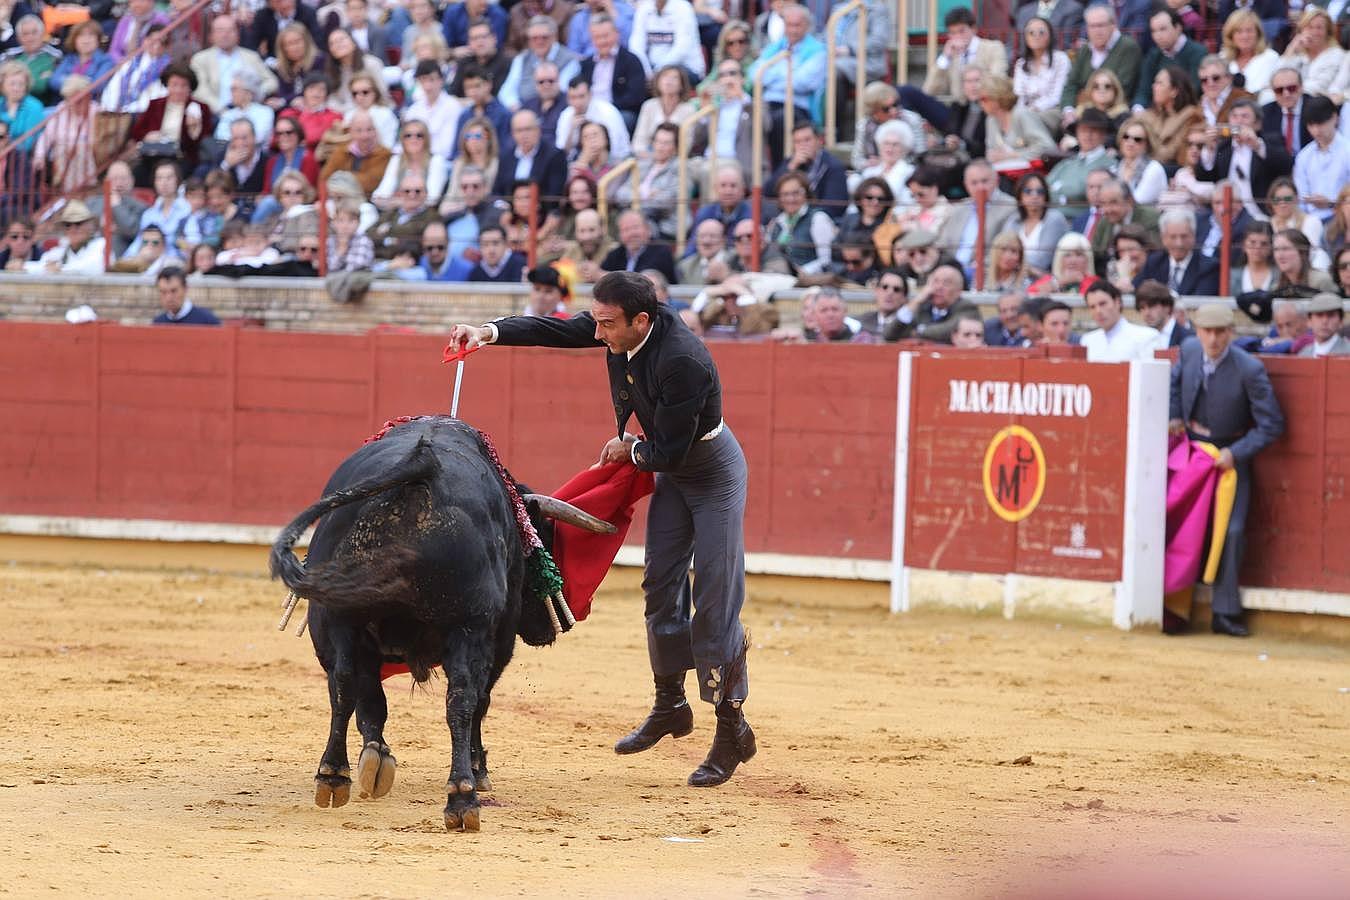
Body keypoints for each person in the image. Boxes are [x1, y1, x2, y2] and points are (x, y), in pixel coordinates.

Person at [449, 269, 756, 787]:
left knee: (717, 598)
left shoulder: (683, 359)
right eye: (597, 321)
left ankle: (730, 728)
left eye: (607, 325)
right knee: (659, 585)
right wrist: (489, 331)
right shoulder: (621, 330)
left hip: (711, 474)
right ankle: (670, 705)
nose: (597, 334)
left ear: (641, 320)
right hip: (674, 476)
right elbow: (558, 329)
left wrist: (628, 449)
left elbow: (669, 451)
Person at [1168, 303, 1284, 636]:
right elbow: (1174, 385)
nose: (1214, 339)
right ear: (1197, 331)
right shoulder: (1189, 351)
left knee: (1231, 531)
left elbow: (1271, 424)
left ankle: (1225, 612)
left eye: (1220, 332)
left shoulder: (1249, 369)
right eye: (1207, 331)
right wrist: (1174, 416)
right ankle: (1172, 607)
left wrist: (1236, 452)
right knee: (1178, 524)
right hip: (1191, 454)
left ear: (1231, 333)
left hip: (1228, 459)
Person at [744, 2, 823, 168]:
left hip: (797, 107)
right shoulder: (777, 46)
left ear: (807, 26)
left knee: (778, 121)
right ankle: (752, 172)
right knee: (746, 118)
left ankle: (782, 171)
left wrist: (772, 75)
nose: (793, 30)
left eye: (797, 25)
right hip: (768, 103)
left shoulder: (817, 50)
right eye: (789, 25)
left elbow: (802, 83)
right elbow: (754, 74)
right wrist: (788, 73)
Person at [1196, 98, 1292, 222]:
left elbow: (1285, 166)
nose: (1239, 121)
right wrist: (1209, 149)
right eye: (1234, 117)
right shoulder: (1223, 147)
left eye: (1245, 116)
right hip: (1226, 213)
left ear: (1257, 124)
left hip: (1259, 213)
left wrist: (1257, 145)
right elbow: (1203, 176)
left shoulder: (1271, 141)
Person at [1060, 4, 1140, 129]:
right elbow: (1071, 84)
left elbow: (1122, 87)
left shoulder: (1128, 47)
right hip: (1081, 111)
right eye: (1092, 26)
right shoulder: (1085, 49)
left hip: (1114, 114)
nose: (1097, 30)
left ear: (1113, 24)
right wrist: (1069, 111)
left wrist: (1084, 97)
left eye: (1101, 25)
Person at [937, 160, 1018, 277]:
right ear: (966, 185)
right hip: (951, 270)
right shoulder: (959, 208)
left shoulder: (1010, 207)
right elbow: (942, 244)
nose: (980, 187)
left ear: (996, 181)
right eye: (974, 183)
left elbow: (1005, 249)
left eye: (985, 181)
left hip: (984, 272)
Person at [189, 15, 278, 115]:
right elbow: (199, 90)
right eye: (220, 30)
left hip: (250, 111)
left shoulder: (251, 56)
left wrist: (256, 93)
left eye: (230, 30)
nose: (225, 34)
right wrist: (221, 110)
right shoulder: (200, 59)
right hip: (216, 113)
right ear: (212, 35)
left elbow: (271, 81)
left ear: (237, 34)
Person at [583, 15, 655, 130]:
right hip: (590, 110)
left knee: (624, 119)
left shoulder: (631, 60)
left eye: (605, 36)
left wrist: (608, 108)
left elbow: (635, 97)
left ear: (617, 34)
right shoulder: (586, 64)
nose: (602, 41)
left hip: (619, 111)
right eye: (597, 37)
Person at [1046, 108, 1116, 218]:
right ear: (1077, 134)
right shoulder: (1066, 164)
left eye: (1093, 130)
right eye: (1083, 130)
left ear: (1103, 134)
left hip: (1081, 221)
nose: (1088, 135)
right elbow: (1044, 190)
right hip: (1051, 217)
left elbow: (1083, 193)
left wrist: (1058, 193)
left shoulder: (1110, 165)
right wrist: (1067, 197)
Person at [500, 15, 581, 111]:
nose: (539, 42)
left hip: (555, 111)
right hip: (523, 111)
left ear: (554, 37)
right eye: (534, 38)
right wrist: (516, 107)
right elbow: (506, 92)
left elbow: (561, 91)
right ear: (528, 40)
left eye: (544, 37)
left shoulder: (569, 60)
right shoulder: (521, 59)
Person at [885, 261, 978, 343]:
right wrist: (916, 301)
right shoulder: (921, 307)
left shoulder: (967, 307)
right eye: (935, 282)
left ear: (958, 291)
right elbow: (889, 334)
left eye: (946, 283)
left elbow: (949, 330)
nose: (939, 287)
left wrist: (917, 331)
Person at [1132, 7, 1205, 111]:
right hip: (1158, 112)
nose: (1158, 36)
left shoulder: (1197, 52)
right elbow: (1143, 90)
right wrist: (1138, 109)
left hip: (1186, 113)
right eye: (1154, 31)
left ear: (1178, 28)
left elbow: (1194, 90)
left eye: (1163, 29)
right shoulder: (1153, 55)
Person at [764, 170, 835, 276]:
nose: (790, 199)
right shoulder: (777, 222)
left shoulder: (818, 218)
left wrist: (804, 271)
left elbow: (827, 259)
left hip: (808, 282)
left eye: (796, 193)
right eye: (785, 194)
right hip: (779, 278)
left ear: (806, 194)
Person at [1293, 96, 1350, 226]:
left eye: (1321, 123)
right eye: (1311, 125)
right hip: (1310, 221)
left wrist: (1331, 203)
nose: (1317, 130)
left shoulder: (1347, 151)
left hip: (1344, 220)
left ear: (1335, 118)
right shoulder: (1303, 156)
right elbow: (1302, 196)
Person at [1138, 208, 1220, 296]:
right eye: (1173, 237)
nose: (1179, 243)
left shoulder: (1209, 267)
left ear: (1193, 236)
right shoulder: (1154, 262)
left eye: (1184, 236)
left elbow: (1199, 301)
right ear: (1163, 238)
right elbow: (1137, 290)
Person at [1001, 171, 1069, 275]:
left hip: (1041, 280)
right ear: (1020, 195)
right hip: (1013, 276)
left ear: (1046, 195)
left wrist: (1012, 261)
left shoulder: (1054, 219)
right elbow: (1001, 251)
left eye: (1040, 191)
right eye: (1028, 191)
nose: (1034, 195)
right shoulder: (1014, 220)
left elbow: (1042, 261)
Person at [982, 73, 1056, 166]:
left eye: (983, 99)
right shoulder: (991, 120)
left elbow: (1047, 147)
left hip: (1029, 173)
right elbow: (991, 150)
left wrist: (1014, 155)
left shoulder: (1021, 114)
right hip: (1003, 172)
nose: (980, 103)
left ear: (997, 97)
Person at [1012, 16, 1070, 133]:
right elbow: (1019, 95)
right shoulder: (1021, 63)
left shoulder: (1061, 59)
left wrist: (1033, 109)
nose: (1036, 36)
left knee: (1028, 120)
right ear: (1025, 37)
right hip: (1026, 111)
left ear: (1050, 35)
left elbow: (1057, 96)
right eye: (1031, 32)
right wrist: (1021, 112)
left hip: (1052, 110)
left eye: (1041, 32)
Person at [496, 108, 568, 201]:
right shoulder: (505, 156)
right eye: (519, 130)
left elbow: (554, 194)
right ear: (513, 134)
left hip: (540, 211)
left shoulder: (555, 155)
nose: (524, 135)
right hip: (508, 212)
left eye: (528, 129)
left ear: (538, 130)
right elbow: (497, 190)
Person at [554, 75, 632, 161]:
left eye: (581, 96)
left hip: (615, 161)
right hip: (580, 163)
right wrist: (571, 130)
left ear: (590, 95)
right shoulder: (566, 115)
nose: (577, 102)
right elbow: (561, 153)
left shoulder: (607, 111)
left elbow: (615, 147)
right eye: (573, 97)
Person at [1080, 280, 1160, 361]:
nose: (1098, 311)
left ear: (1117, 302)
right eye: (1092, 307)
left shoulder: (1146, 336)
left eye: (1103, 304)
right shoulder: (1087, 340)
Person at [1091, 178, 1160, 273]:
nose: (1107, 210)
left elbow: (1156, 254)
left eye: (1113, 203)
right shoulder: (1104, 222)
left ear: (1129, 200)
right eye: (1103, 204)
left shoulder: (1150, 218)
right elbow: (1095, 253)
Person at [1140, 64, 1203, 166]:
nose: (1154, 86)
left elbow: (1170, 153)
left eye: (1159, 83)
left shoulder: (1190, 116)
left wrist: (1142, 149)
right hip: (1146, 163)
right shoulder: (1151, 114)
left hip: (1170, 169)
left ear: (1174, 91)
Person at [319, 109, 391, 197]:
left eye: (369, 130)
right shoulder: (341, 151)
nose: (365, 136)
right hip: (339, 202)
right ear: (351, 132)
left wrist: (338, 180)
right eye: (359, 130)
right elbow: (324, 178)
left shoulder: (384, 154)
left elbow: (371, 183)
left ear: (375, 132)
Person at [632, 64, 697, 160]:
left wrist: (663, 158)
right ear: (657, 81)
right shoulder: (649, 106)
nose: (668, 81)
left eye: (674, 78)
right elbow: (639, 140)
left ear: (682, 85)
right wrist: (649, 156)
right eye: (665, 76)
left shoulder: (689, 109)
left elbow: (686, 144)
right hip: (647, 157)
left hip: (676, 161)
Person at [1280, 6, 1345, 99]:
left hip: (1318, 104)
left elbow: (1319, 86)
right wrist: (1291, 48)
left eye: (1319, 28)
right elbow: (1278, 77)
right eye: (1309, 27)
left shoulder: (1336, 55)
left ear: (1328, 32)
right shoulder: (1298, 54)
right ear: (1301, 30)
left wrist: (1289, 91)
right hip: (1292, 100)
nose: (1314, 32)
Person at [631, 0, 706, 81]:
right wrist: (646, 71)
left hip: (685, 67)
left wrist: (657, 72)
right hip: (652, 68)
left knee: (667, 79)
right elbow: (636, 46)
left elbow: (682, 48)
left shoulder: (683, 7)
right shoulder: (644, 7)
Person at [1219, 8, 1280, 102]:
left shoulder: (1271, 58)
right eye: (1239, 31)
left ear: (1258, 34)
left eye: (1249, 31)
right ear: (1231, 35)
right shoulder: (1222, 58)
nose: (1245, 36)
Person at [602, 209, 677, 283]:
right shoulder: (615, 254)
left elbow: (642, 281)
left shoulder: (661, 251)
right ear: (620, 235)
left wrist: (605, 275)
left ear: (648, 229)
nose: (632, 233)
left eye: (635, 227)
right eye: (626, 229)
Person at [388, 221, 474, 282]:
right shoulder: (416, 264)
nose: (435, 252)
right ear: (423, 244)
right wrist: (392, 267)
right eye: (429, 248)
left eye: (440, 247)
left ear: (448, 243)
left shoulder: (466, 270)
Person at [1111, 117, 1168, 205]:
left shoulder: (1153, 169)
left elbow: (1137, 202)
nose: (1130, 142)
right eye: (1126, 137)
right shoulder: (1116, 167)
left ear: (1147, 144)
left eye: (1137, 139)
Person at [449, 20, 512, 96]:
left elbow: (501, 96)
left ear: (494, 38)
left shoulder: (507, 63)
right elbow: (453, 94)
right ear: (469, 43)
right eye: (474, 38)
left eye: (484, 37)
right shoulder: (464, 63)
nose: (480, 42)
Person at [1262, 66, 1314, 157]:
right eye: (1279, 90)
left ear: (1301, 87)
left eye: (1291, 88)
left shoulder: (1315, 108)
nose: (1286, 94)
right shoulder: (1266, 112)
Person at [1029, 232, 1101, 296]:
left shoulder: (1095, 282)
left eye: (1079, 254)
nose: (1073, 261)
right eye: (1067, 255)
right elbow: (1030, 293)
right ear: (1059, 259)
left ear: (1087, 259)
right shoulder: (1049, 279)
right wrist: (1061, 282)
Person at [1272, 227, 1337, 296]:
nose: (1280, 255)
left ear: (1302, 252)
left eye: (1285, 249)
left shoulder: (1322, 281)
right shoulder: (1275, 287)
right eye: (1276, 249)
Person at [1135, 279, 1194, 347]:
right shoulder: (1139, 338)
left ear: (1167, 307)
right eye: (1142, 308)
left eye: (1152, 306)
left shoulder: (1188, 337)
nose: (1147, 313)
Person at [567, 0, 637, 57]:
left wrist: (611, 10)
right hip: (589, 64)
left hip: (621, 61)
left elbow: (630, 42)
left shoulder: (625, 9)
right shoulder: (579, 19)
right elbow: (573, 52)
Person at [152, 267, 220, 325]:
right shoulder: (158, 322)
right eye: (163, 292)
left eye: (174, 291)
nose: (169, 297)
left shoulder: (207, 320)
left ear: (185, 289)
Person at [1231, 219, 1278, 296]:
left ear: (1271, 247)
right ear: (1244, 245)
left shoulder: (1280, 276)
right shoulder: (1232, 275)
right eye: (1252, 242)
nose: (1257, 247)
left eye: (1264, 244)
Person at [677, 219, 728, 285]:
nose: (706, 241)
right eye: (702, 236)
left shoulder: (735, 260)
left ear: (723, 240)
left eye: (712, 236)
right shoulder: (686, 266)